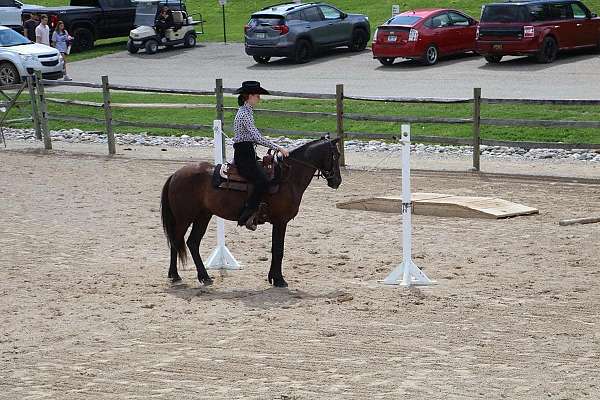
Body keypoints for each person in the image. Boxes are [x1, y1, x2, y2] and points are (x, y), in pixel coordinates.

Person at [233, 81, 289, 230]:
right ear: (249, 96)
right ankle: (247, 214)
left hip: (247, 152)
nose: (259, 98)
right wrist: (278, 148)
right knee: (261, 181)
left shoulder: (247, 111)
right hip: (244, 155)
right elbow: (257, 137)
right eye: (257, 95)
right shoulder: (245, 114)